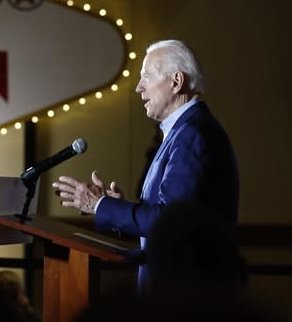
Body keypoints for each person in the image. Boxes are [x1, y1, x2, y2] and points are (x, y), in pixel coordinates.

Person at [52, 39, 239, 292]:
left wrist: (99, 205)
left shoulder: (192, 134)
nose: (139, 88)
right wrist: (117, 207)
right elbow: (170, 215)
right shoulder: (185, 130)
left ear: (176, 82)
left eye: (146, 77)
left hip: (184, 295)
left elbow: (170, 222)